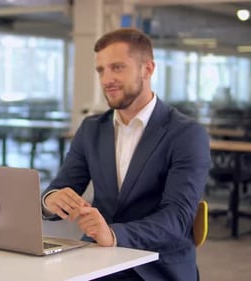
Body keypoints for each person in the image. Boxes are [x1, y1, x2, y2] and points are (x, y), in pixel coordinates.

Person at [42, 28, 211, 281]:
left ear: (148, 69)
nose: (106, 79)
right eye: (101, 70)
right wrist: (51, 200)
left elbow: (177, 218)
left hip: (157, 265)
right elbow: (61, 187)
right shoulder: (91, 129)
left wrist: (113, 234)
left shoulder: (186, 134)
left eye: (117, 67)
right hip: (98, 259)